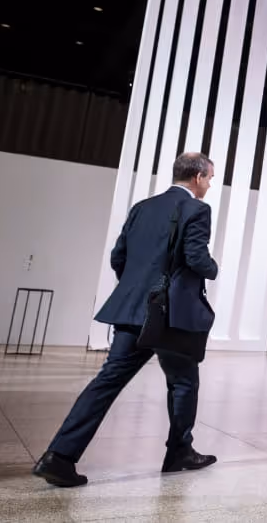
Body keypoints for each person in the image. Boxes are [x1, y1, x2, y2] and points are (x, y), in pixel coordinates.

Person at [32, 153, 220, 488]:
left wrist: (138, 290)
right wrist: (213, 268)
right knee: (183, 382)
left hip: (133, 312)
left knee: (106, 382)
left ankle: (58, 457)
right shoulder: (197, 209)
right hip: (171, 319)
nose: (209, 186)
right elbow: (195, 257)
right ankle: (179, 451)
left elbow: (119, 256)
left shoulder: (142, 208)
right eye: (209, 178)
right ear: (198, 176)